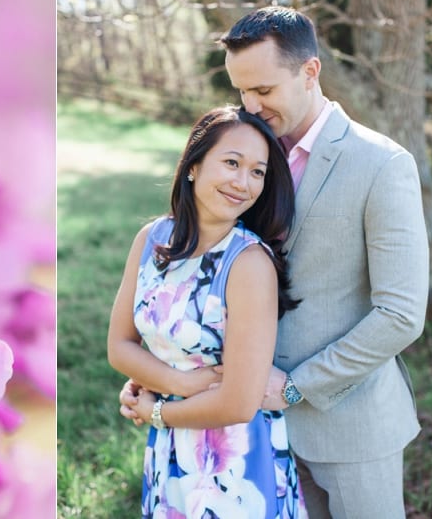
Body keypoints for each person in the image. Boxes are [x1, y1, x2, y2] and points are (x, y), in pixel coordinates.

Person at [124, 6, 429, 518]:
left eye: (263, 91)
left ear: (309, 72)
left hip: (349, 427)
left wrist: (292, 387)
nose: (250, 105)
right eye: (240, 91)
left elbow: (400, 314)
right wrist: (162, 366)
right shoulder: (247, 160)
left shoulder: (382, 165)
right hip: (252, 438)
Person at [108, 105, 306, 518]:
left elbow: (239, 403)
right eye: (232, 163)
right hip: (169, 452)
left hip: (235, 465)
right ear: (194, 166)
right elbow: (119, 346)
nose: (243, 182)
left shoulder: (249, 263)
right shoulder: (152, 239)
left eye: (257, 171)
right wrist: (178, 381)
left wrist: (159, 411)